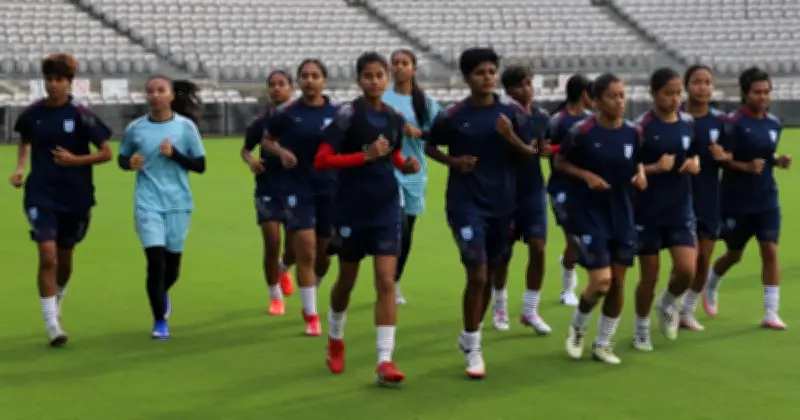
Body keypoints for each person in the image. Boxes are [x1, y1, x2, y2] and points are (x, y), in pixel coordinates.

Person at [425, 48, 535, 379]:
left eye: (491, 71)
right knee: (477, 273)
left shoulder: (512, 113)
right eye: (479, 73)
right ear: (466, 78)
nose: (487, 78)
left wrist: (510, 137)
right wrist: (453, 162)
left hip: (502, 204)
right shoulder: (453, 115)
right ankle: (473, 346)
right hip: (465, 203)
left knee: (490, 272)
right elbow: (430, 145)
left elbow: (531, 154)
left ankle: (469, 333)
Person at [315, 51, 420, 385]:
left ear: (387, 78)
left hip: (386, 207)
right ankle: (335, 334)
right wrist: (364, 156)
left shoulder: (394, 117)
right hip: (351, 209)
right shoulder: (347, 115)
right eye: (368, 76)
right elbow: (322, 160)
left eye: (379, 75)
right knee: (347, 280)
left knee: (386, 281)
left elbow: (393, 154)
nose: (375, 81)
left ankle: (385, 360)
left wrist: (405, 165)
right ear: (358, 80)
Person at [9, 53, 113, 346]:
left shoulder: (82, 114)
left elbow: (106, 153)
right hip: (40, 193)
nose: (53, 84)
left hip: (75, 195)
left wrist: (75, 160)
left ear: (70, 82)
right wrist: (20, 168)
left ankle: (57, 300)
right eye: (49, 79)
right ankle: (52, 325)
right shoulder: (32, 113)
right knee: (47, 255)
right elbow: (25, 140)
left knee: (64, 260)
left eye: (59, 79)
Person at [556, 73, 647, 365]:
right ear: (596, 100)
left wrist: (641, 174)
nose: (619, 102)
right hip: (588, 213)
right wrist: (586, 176)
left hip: (622, 213)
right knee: (601, 281)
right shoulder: (582, 132)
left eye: (622, 95)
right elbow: (560, 162)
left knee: (617, 282)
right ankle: (578, 327)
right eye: (612, 96)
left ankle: (604, 343)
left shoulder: (633, 132)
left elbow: (638, 161)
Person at [118, 77, 207, 339]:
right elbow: (122, 157)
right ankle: (159, 321)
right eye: (150, 91)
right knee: (155, 263)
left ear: (171, 96)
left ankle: (161, 293)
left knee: (172, 270)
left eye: (161, 90)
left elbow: (200, 165)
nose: (155, 95)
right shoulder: (136, 128)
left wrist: (175, 154)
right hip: (148, 203)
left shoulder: (185, 127)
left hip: (178, 203)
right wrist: (128, 163)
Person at [704, 67, 790, 329]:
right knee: (734, 254)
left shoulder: (774, 123)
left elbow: (765, 155)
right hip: (737, 200)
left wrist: (778, 160)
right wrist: (745, 167)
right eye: (757, 92)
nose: (762, 97)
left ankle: (771, 312)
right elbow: (723, 160)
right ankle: (711, 283)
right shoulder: (732, 124)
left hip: (766, 199)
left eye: (766, 92)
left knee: (770, 251)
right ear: (745, 93)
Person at [261, 59, 339, 336]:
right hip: (297, 188)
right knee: (306, 251)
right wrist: (281, 152)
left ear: (324, 81)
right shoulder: (287, 113)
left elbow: (356, 141)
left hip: (329, 188)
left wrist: (375, 152)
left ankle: (306, 286)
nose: (310, 80)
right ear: (300, 81)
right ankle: (312, 316)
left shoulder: (339, 113)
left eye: (315, 75)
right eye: (305, 76)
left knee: (323, 256)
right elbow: (266, 140)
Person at [632, 68, 701, 351]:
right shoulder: (641, 127)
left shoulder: (688, 122)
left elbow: (694, 152)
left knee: (687, 270)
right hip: (647, 211)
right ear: (653, 94)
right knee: (649, 276)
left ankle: (667, 303)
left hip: (679, 208)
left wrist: (695, 163)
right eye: (668, 93)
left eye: (678, 93)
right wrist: (652, 168)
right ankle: (641, 328)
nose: (674, 99)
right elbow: (630, 166)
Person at [492, 65, 552, 334]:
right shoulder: (502, 115)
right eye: (521, 84)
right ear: (509, 89)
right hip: (506, 191)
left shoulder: (541, 115)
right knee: (503, 254)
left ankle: (530, 310)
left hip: (533, 189)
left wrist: (544, 149)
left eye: (529, 83)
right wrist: (520, 143)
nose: (527, 89)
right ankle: (500, 305)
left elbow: (542, 147)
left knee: (538, 247)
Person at [383, 49, 441, 305]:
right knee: (396, 226)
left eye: (404, 63)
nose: (399, 67)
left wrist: (420, 133)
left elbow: (441, 133)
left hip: (415, 172)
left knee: (407, 231)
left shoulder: (425, 102)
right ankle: (386, 281)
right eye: (395, 63)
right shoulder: (383, 99)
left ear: (414, 69)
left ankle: (395, 280)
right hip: (389, 170)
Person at [679, 65, 733, 330]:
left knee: (703, 260)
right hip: (679, 198)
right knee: (687, 261)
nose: (702, 87)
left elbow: (733, 156)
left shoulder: (721, 121)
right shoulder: (675, 118)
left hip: (710, 197)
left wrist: (725, 157)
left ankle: (687, 311)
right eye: (697, 82)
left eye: (707, 82)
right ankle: (670, 302)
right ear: (686, 86)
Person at [241, 70, 296, 315]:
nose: (276, 88)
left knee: (295, 248)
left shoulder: (300, 118)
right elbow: (245, 149)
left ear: (291, 87)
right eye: (272, 84)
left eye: (282, 84)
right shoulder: (260, 121)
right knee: (272, 242)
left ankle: (283, 269)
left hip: (297, 188)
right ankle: (275, 296)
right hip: (268, 187)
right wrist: (251, 160)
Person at [546, 75, 594, 307]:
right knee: (573, 240)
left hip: (586, 187)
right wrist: (560, 147)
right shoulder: (558, 121)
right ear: (583, 93)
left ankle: (569, 261)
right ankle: (567, 290)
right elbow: (544, 149)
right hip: (562, 187)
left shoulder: (591, 120)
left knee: (584, 239)